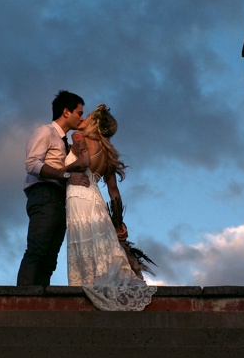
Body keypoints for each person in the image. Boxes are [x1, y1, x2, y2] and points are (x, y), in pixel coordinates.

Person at [65, 103, 156, 311]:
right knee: (100, 243)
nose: (83, 119)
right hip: (95, 197)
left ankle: (86, 283)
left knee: (84, 242)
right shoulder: (107, 151)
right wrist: (118, 223)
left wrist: (62, 170)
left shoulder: (78, 138)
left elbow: (82, 162)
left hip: (78, 195)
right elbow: (114, 192)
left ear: (95, 121)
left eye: (87, 116)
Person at [16, 90, 90, 286]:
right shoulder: (45, 132)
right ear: (66, 112)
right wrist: (67, 175)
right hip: (43, 195)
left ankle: (39, 307)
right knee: (37, 250)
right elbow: (32, 165)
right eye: (79, 113)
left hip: (58, 200)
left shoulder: (65, 141)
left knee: (50, 260)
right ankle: (22, 303)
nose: (81, 118)